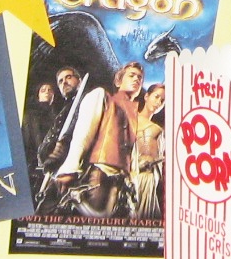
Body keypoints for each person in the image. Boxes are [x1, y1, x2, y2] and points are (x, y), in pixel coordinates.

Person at [53, 61, 142, 216]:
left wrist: (133, 183)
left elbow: (133, 154)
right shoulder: (101, 96)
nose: (136, 79)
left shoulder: (135, 117)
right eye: (132, 75)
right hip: (100, 175)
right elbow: (83, 133)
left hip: (122, 185)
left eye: (140, 77)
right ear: (118, 81)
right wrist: (70, 168)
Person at [128, 83, 166, 219]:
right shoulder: (131, 119)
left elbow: (160, 159)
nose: (158, 103)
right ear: (146, 96)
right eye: (156, 97)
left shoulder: (159, 130)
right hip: (132, 180)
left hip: (150, 182)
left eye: (162, 101)